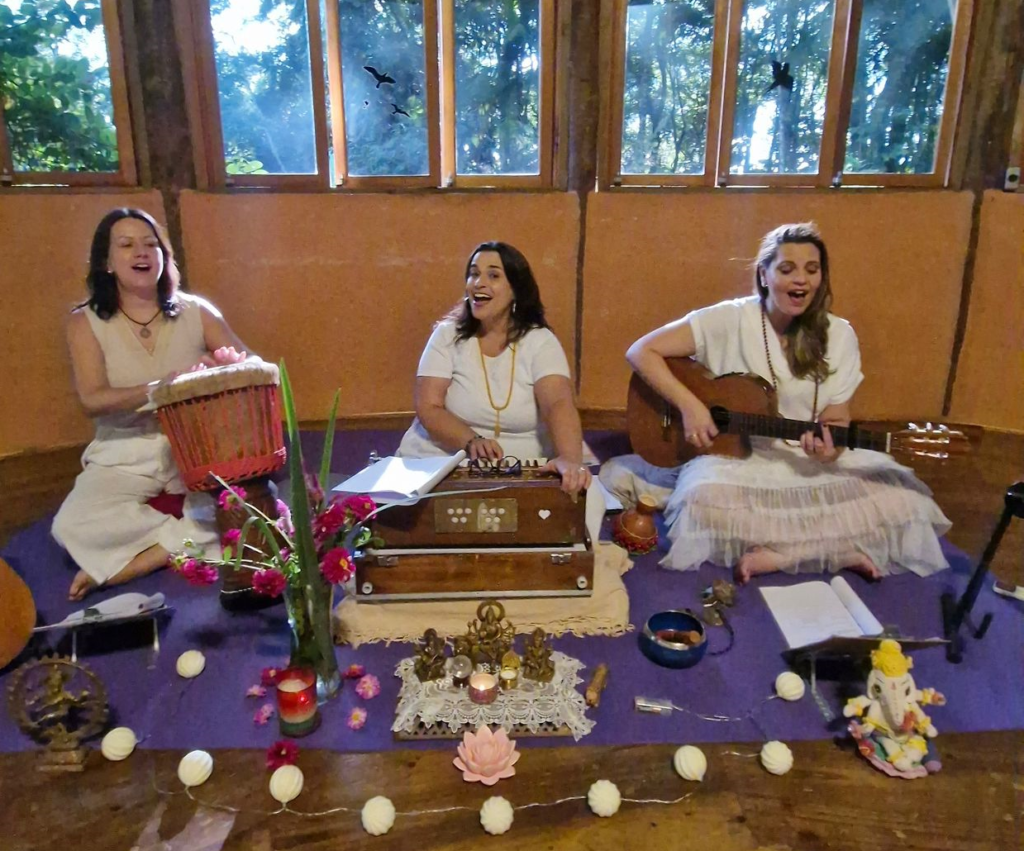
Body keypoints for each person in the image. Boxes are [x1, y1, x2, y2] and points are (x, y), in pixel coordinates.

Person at [600, 222, 951, 583]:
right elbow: (641, 351)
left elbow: (837, 419)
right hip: (737, 462)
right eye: (787, 269)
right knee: (702, 500)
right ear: (765, 275)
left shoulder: (840, 335)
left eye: (811, 271)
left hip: (803, 461)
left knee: (904, 502)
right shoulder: (729, 318)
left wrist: (828, 452)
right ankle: (833, 550)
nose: (801, 280)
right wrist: (690, 405)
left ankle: (790, 554)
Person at [52, 208, 254, 601]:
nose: (141, 253)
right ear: (107, 262)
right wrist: (161, 387)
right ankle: (184, 538)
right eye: (126, 245)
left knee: (248, 510)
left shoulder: (197, 311)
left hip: (193, 444)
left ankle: (138, 560)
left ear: (164, 256)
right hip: (122, 450)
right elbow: (93, 400)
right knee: (69, 525)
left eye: (151, 244)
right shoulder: (84, 322)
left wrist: (226, 367)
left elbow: (254, 366)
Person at [397, 241, 591, 496]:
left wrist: (569, 459)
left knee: (581, 505)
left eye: (493, 275)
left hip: (526, 458)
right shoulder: (447, 335)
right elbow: (428, 406)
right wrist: (471, 441)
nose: (478, 282)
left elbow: (558, 402)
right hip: (445, 453)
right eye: (474, 273)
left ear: (516, 290)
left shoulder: (540, 341)